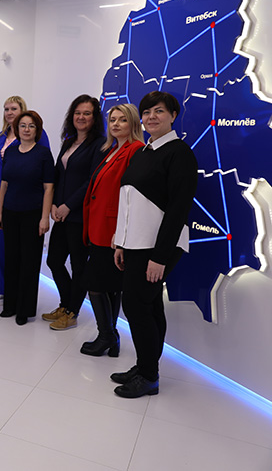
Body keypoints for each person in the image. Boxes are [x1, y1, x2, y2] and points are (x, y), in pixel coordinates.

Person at [111, 91, 197, 398]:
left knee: (137, 307)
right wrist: (121, 243)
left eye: (159, 111)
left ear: (173, 115)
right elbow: (130, 201)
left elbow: (178, 209)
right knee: (148, 306)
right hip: (136, 243)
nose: (151, 117)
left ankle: (149, 376)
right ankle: (146, 366)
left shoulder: (179, 153)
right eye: (146, 112)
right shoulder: (144, 152)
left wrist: (160, 257)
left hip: (158, 246)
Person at [80, 104, 144, 357]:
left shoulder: (135, 150)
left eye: (122, 120)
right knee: (109, 285)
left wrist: (121, 232)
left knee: (96, 284)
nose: (116, 124)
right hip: (100, 227)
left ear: (133, 123)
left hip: (112, 230)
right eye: (112, 120)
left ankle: (106, 335)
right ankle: (111, 336)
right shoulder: (112, 150)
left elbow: (132, 195)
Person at [43, 95, 106, 330]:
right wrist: (53, 204)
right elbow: (58, 176)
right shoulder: (68, 142)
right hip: (61, 214)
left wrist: (68, 205)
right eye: (78, 113)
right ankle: (66, 304)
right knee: (54, 260)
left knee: (78, 266)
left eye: (87, 113)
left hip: (80, 216)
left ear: (95, 117)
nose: (81, 117)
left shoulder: (100, 144)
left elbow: (92, 181)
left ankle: (72, 312)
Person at [0, 96, 51, 306]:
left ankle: (20, 296)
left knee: (22, 250)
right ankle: (2, 290)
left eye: (14, 108)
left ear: (23, 110)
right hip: (0, 197)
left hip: (26, 200)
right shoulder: (1, 136)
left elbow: (45, 170)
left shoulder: (37, 135)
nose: (9, 113)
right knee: (1, 247)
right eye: (6, 109)